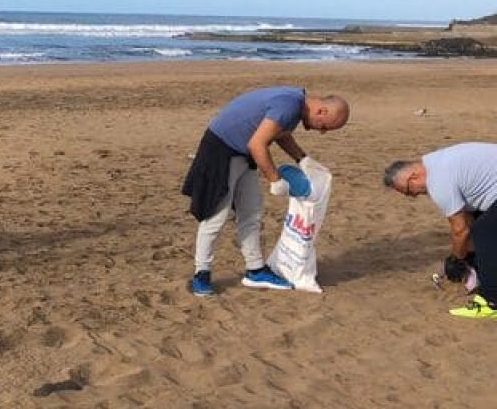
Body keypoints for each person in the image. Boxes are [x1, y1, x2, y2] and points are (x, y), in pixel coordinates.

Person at [182, 86, 349, 296]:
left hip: (243, 153)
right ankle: (201, 274)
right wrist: (276, 180)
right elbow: (257, 144)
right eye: (324, 126)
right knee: (216, 216)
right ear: (321, 111)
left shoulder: (297, 103)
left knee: (251, 212)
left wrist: (303, 159)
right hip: (221, 151)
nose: (322, 131)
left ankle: (255, 270)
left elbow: (281, 134)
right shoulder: (289, 104)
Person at [384, 143, 497, 319]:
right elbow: (467, 218)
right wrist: (467, 257)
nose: (412, 196)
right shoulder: (435, 162)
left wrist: (456, 260)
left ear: (413, 176)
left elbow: (461, 230)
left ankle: (491, 302)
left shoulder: (438, 182)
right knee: (482, 226)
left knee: (485, 233)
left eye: (408, 191)